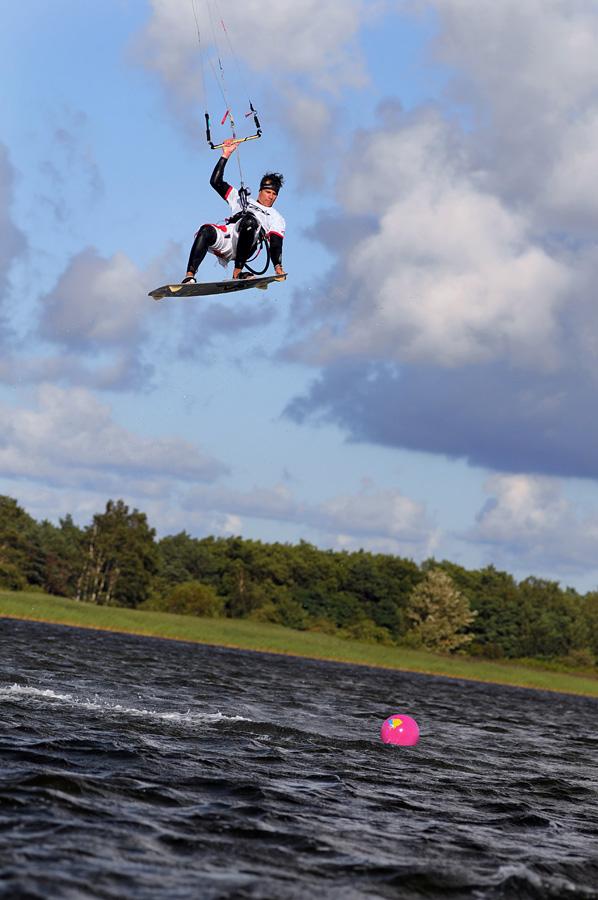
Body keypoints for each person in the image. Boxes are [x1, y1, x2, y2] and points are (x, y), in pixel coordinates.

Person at [182, 139, 286, 284]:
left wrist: (278, 267)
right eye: (268, 192)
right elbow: (215, 182)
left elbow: (275, 244)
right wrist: (226, 154)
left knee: (250, 222)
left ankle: (237, 272)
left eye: (274, 194)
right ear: (260, 190)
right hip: (229, 239)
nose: (271, 196)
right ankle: (189, 276)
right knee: (205, 230)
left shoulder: (275, 217)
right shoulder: (242, 198)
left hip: (247, 245)